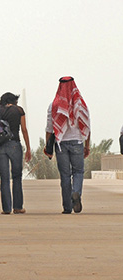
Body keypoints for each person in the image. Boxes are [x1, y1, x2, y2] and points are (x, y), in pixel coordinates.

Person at [46, 76, 90, 214]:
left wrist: (47, 146)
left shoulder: (53, 105)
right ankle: (76, 192)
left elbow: (49, 128)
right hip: (77, 142)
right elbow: (87, 126)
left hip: (61, 144)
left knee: (65, 175)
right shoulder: (81, 104)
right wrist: (87, 145)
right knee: (78, 172)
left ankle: (67, 207)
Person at [0, 92, 31, 215]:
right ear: (14, 101)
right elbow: (24, 130)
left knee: (4, 178)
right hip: (14, 144)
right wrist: (28, 148)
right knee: (16, 176)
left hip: (0, 147)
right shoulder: (19, 110)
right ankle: (18, 207)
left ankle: (6, 209)